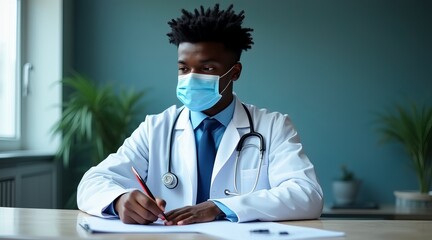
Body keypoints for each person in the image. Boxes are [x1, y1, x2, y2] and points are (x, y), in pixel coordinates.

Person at [77, 4, 323, 225]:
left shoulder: (273, 127)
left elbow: (307, 194)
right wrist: (119, 200)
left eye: (207, 68)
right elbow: (92, 183)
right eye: (184, 68)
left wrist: (219, 207)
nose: (191, 77)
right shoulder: (157, 128)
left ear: (235, 72)